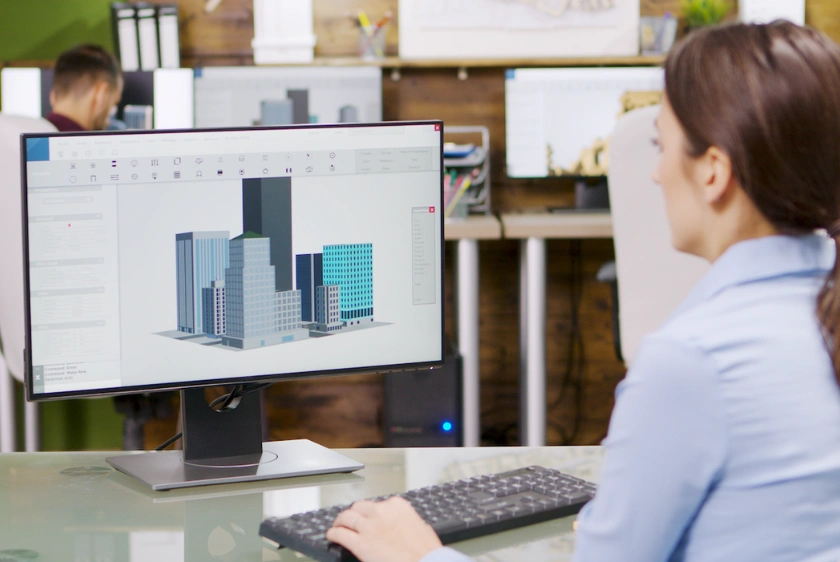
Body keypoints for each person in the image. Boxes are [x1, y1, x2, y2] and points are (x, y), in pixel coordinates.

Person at [325, 21, 840, 562]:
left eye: (662, 146)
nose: (656, 174)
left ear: (714, 172)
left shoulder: (692, 363)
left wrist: (419, 556)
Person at [46, 43, 123, 132]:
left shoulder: (33, 137)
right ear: (100, 95)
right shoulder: (91, 145)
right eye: (113, 105)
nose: (108, 122)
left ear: (53, 96)